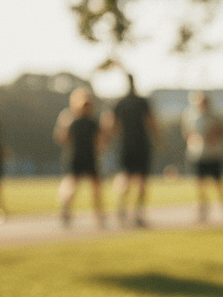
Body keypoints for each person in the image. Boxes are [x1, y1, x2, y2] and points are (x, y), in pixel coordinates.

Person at [106, 73, 159, 227]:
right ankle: (137, 214)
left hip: (126, 145)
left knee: (125, 177)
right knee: (141, 180)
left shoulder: (120, 103)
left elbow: (111, 126)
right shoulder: (143, 102)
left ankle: (121, 208)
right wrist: (159, 140)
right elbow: (152, 122)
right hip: (141, 144)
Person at [54, 88, 107, 228]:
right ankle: (99, 215)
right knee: (94, 187)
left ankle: (66, 210)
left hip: (76, 157)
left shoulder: (72, 121)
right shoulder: (92, 122)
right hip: (88, 157)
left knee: (77, 185)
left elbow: (62, 139)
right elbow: (101, 143)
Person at [182, 92, 223, 222]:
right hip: (197, 154)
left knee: (217, 182)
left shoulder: (215, 117)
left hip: (213, 154)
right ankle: (203, 207)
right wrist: (191, 141)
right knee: (200, 183)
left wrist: (214, 138)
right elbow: (187, 133)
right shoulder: (190, 116)